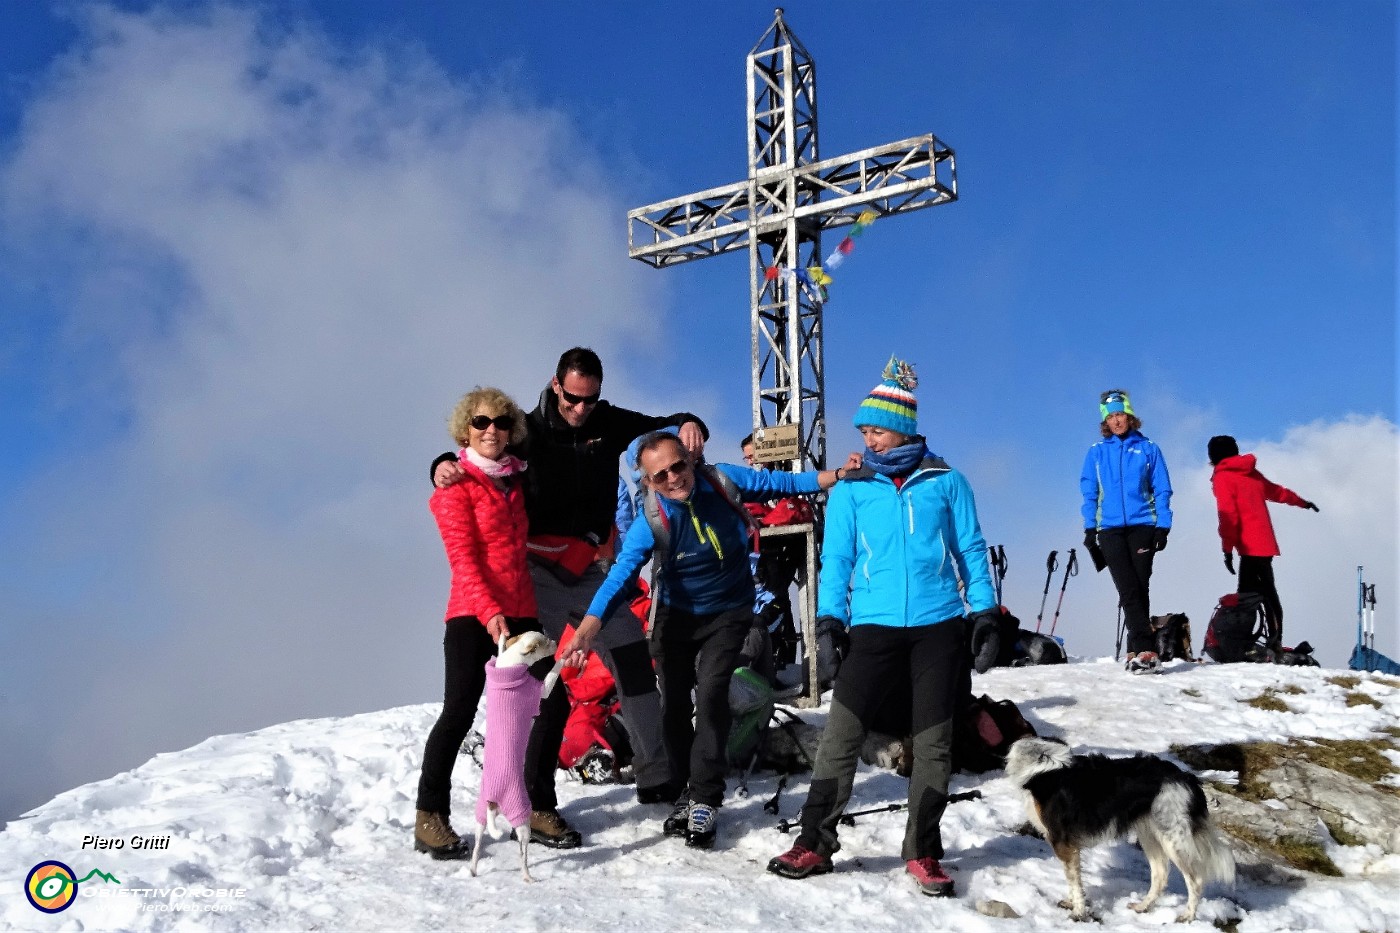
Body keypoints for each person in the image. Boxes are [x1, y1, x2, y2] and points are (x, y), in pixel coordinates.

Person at [432, 348, 707, 844]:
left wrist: (690, 422)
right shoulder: (527, 430)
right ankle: (536, 802)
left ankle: (658, 776)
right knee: (548, 689)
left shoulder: (608, 421)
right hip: (536, 577)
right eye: (573, 399)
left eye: (591, 400)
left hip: (593, 571)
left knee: (632, 661)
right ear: (555, 385)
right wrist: (440, 464)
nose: (581, 410)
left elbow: (661, 422)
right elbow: (477, 456)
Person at [766, 357, 999, 897]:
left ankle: (923, 850)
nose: (868, 437)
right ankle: (814, 842)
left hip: (938, 627)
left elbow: (969, 547)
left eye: (876, 426)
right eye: (864, 429)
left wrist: (984, 611)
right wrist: (829, 620)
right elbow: (838, 558)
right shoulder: (852, 487)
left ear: (905, 426)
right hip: (872, 627)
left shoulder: (947, 481)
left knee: (934, 743)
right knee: (841, 735)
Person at [563, 431, 855, 850]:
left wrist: (838, 475)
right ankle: (684, 790)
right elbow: (621, 573)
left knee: (714, 692)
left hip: (729, 611)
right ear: (648, 483)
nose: (673, 479)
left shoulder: (722, 481)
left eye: (678, 466)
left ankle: (704, 798)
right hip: (677, 617)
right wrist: (588, 629)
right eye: (660, 475)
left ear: (690, 460)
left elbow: (784, 484)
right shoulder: (652, 520)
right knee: (675, 704)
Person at [415, 387, 541, 860]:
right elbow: (463, 562)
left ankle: (531, 804)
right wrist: (491, 614)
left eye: (502, 423)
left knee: (539, 708)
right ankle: (430, 815)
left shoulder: (516, 479)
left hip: (522, 610)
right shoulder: (454, 487)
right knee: (459, 712)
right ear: (465, 429)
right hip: (472, 614)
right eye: (482, 422)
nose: (493, 431)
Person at [1080, 389, 1173, 673]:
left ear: (1130, 416)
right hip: (1108, 530)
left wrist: (1163, 525)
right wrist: (1089, 528)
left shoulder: (1149, 449)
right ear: (1105, 422)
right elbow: (1089, 491)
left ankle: (1136, 648)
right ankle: (1146, 649)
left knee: (1139, 586)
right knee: (1128, 588)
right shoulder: (1096, 452)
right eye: (1111, 417)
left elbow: (1162, 488)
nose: (1116, 421)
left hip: (1143, 525)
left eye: (1120, 414)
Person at [1208, 434, 1319, 650]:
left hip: (1250, 546)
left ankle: (1265, 642)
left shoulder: (1223, 477)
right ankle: (1265, 640)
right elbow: (1276, 492)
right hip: (1263, 542)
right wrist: (1302, 503)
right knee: (1262, 592)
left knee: (1253, 595)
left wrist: (1227, 549)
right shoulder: (1249, 472)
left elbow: (1228, 516)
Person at [740, 434, 810, 671]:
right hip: (760, 558)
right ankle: (776, 662)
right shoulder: (746, 486)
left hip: (782, 553)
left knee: (776, 603)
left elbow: (795, 509)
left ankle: (783, 661)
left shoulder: (787, 481)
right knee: (769, 606)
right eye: (747, 458)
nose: (751, 462)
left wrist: (766, 522)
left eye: (753, 456)